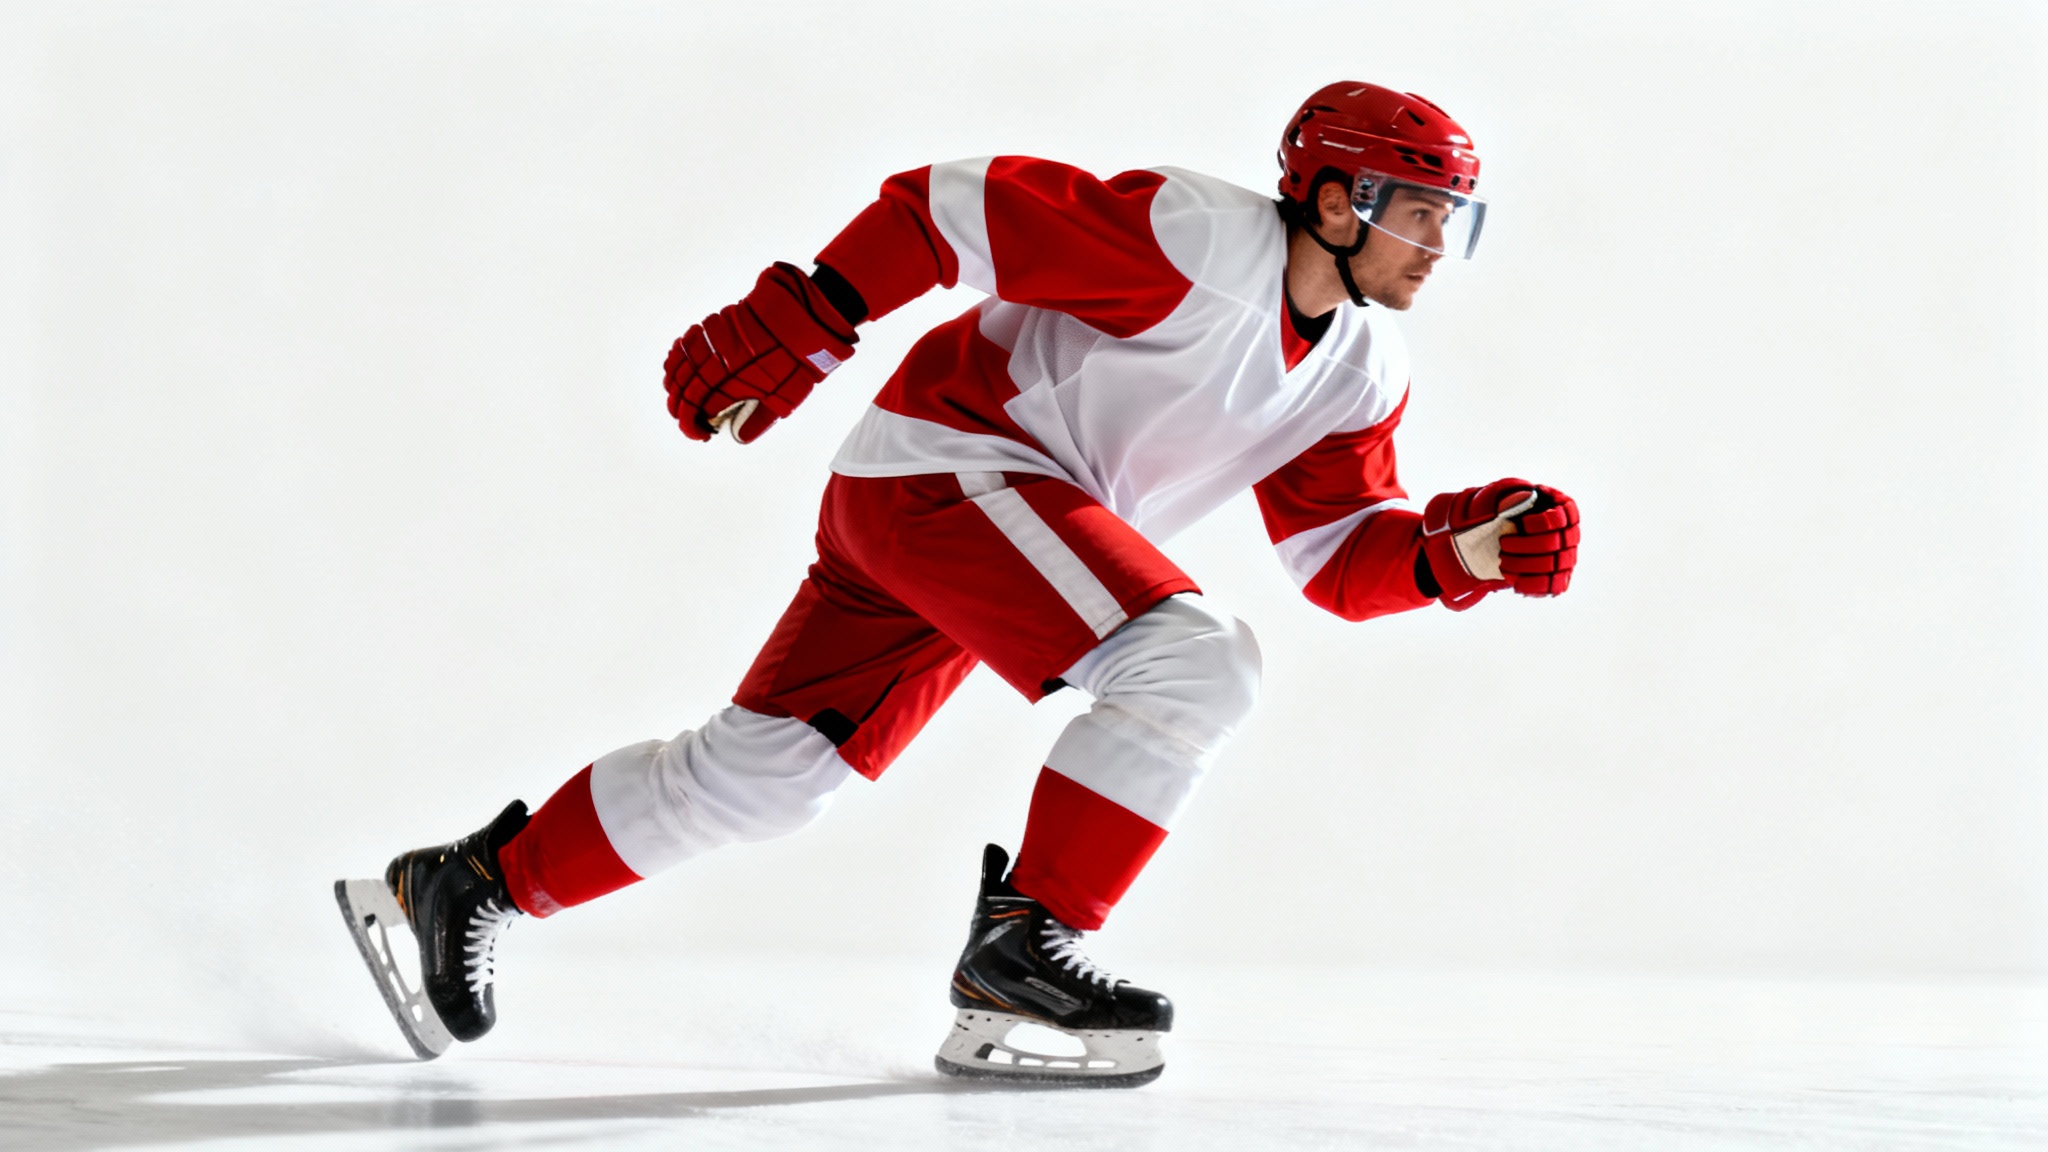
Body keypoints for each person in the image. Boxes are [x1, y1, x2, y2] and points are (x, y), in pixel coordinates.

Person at [336, 80, 1580, 1087]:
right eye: (1415, 210)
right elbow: (947, 208)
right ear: (1326, 197)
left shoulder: (1363, 367)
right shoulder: (1194, 242)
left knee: (765, 782)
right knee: (1198, 661)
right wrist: (808, 314)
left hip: (978, 524)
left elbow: (1335, 560)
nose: (1435, 246)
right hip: (952, 470)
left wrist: (1453, 556)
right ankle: (1025, 951)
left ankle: (462, 884)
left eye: (1450, 219)